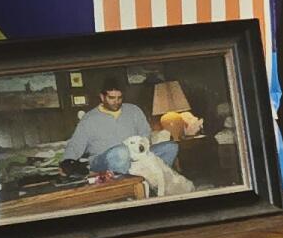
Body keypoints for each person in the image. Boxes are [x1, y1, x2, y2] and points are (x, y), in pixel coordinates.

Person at [59, 83, 190, 196]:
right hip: (103, 160)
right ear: (102, 97)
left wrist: (141, 152)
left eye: (119, 97)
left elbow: (145, 135)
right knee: (121, 152)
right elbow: (75, 145)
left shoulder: (134, 110)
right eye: (111, 98)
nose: (116, 101)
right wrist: (66, 163)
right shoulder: (89, 119)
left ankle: (152, 185)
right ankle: (128, 191)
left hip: (136, 157)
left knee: (171, 147)